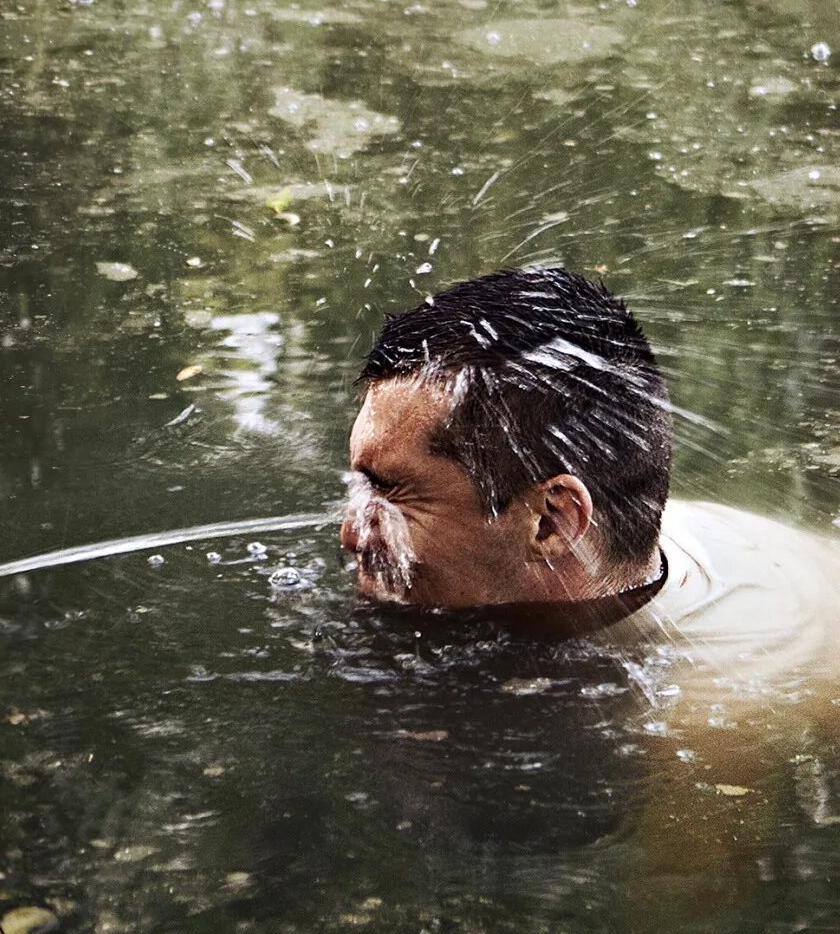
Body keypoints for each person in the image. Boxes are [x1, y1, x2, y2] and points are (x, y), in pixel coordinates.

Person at [339, 266, 840, 686]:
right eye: (364, 483)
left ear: (551, 522)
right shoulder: (624, 525)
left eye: (391, 491)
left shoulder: (723, 694)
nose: (350, 533)